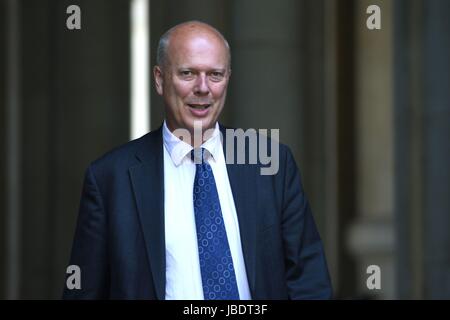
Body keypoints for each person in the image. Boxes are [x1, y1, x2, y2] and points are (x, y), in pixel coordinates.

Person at [63, 21, 332, 300]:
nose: (203, 88)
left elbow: (309, 281)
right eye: (187, 73)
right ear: (159, 78)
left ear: (228, 78)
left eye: (215, 74)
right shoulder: (110, 178)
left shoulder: (271, 163)